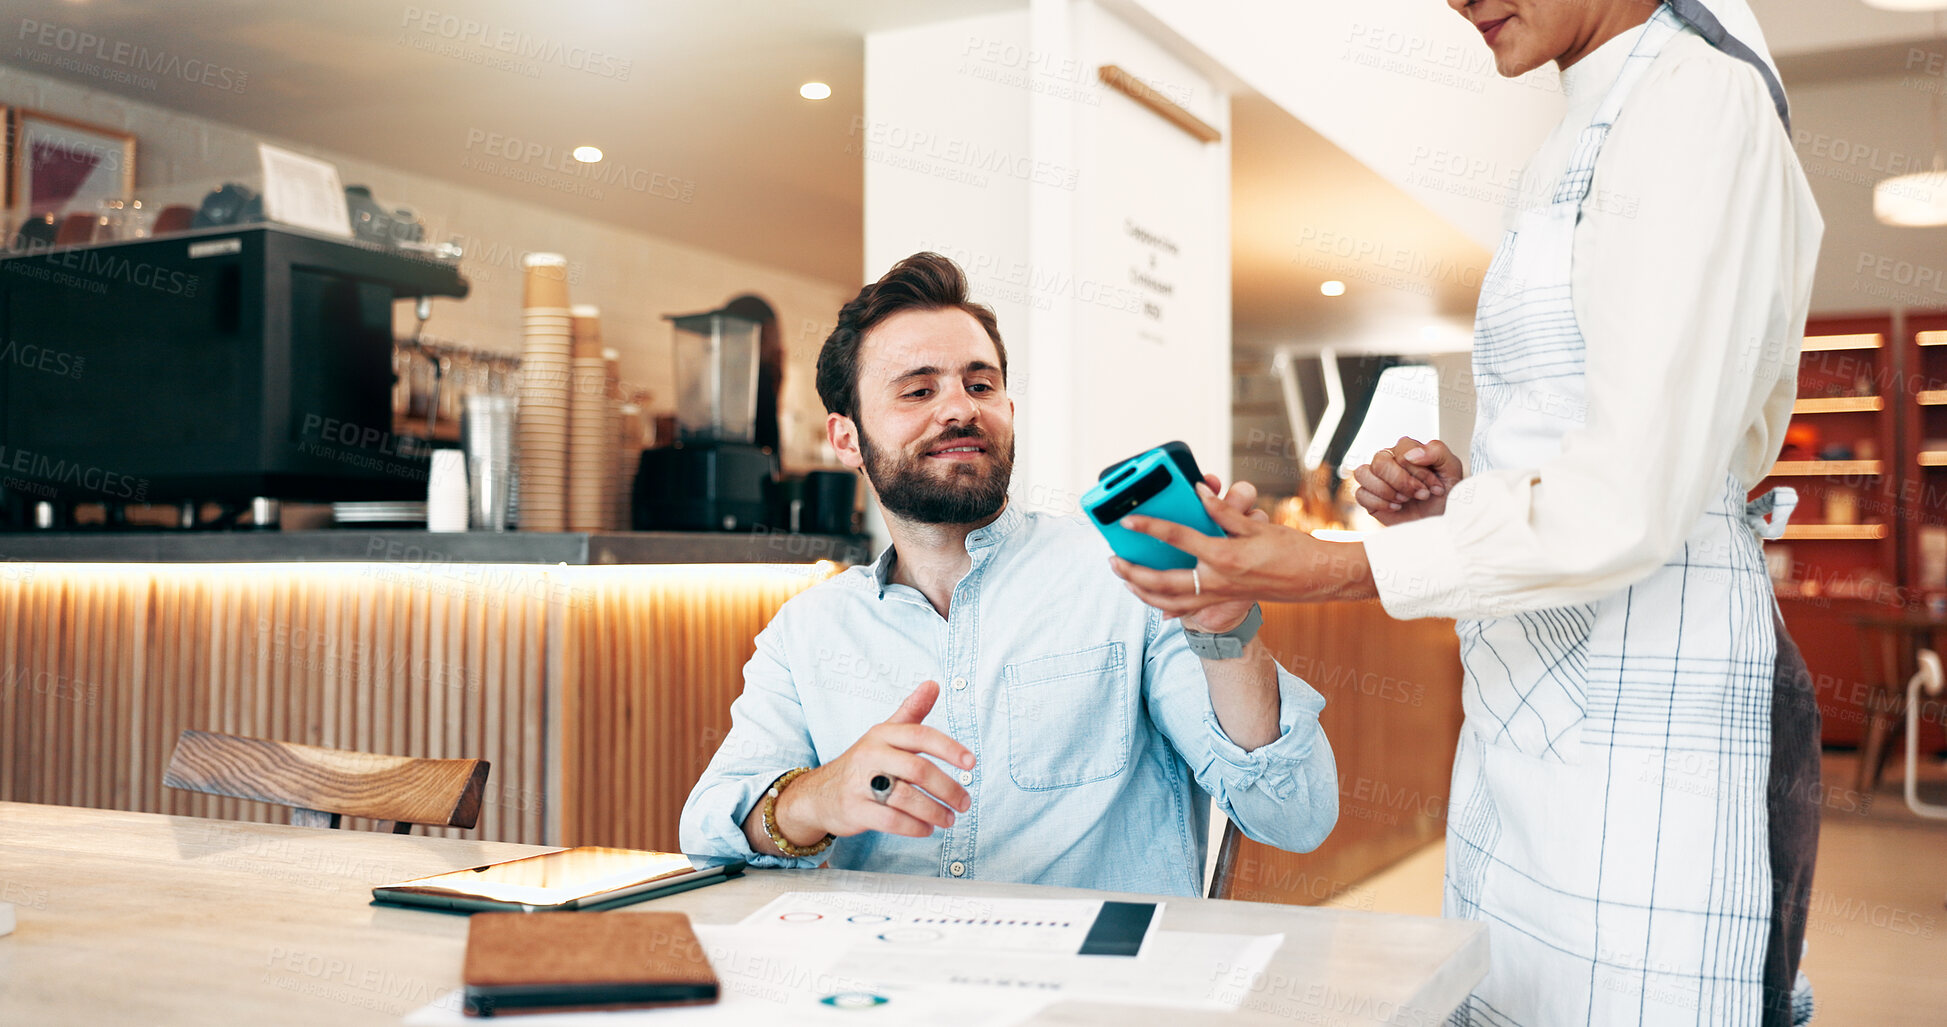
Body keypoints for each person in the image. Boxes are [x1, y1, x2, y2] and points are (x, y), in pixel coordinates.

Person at [1111, 1, 1820, 1024]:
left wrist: (1335, 567)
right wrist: (1464, 496)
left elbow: (1631, 496)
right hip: (1530, 710)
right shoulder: (1579, 112)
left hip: (1649, 718)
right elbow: (1586, 442)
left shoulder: (1699, 95)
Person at [679, 252, 1337, 896]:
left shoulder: (1128, 582)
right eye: (917, 389)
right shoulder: (809, 630)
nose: (959, 409)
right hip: (890, 989)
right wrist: (817, 797)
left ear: (1009, 411)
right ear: (846, 438)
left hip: (1094, 994)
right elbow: (707, 827)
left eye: (980, 383)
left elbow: (1296, 816)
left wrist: (1228, 633)